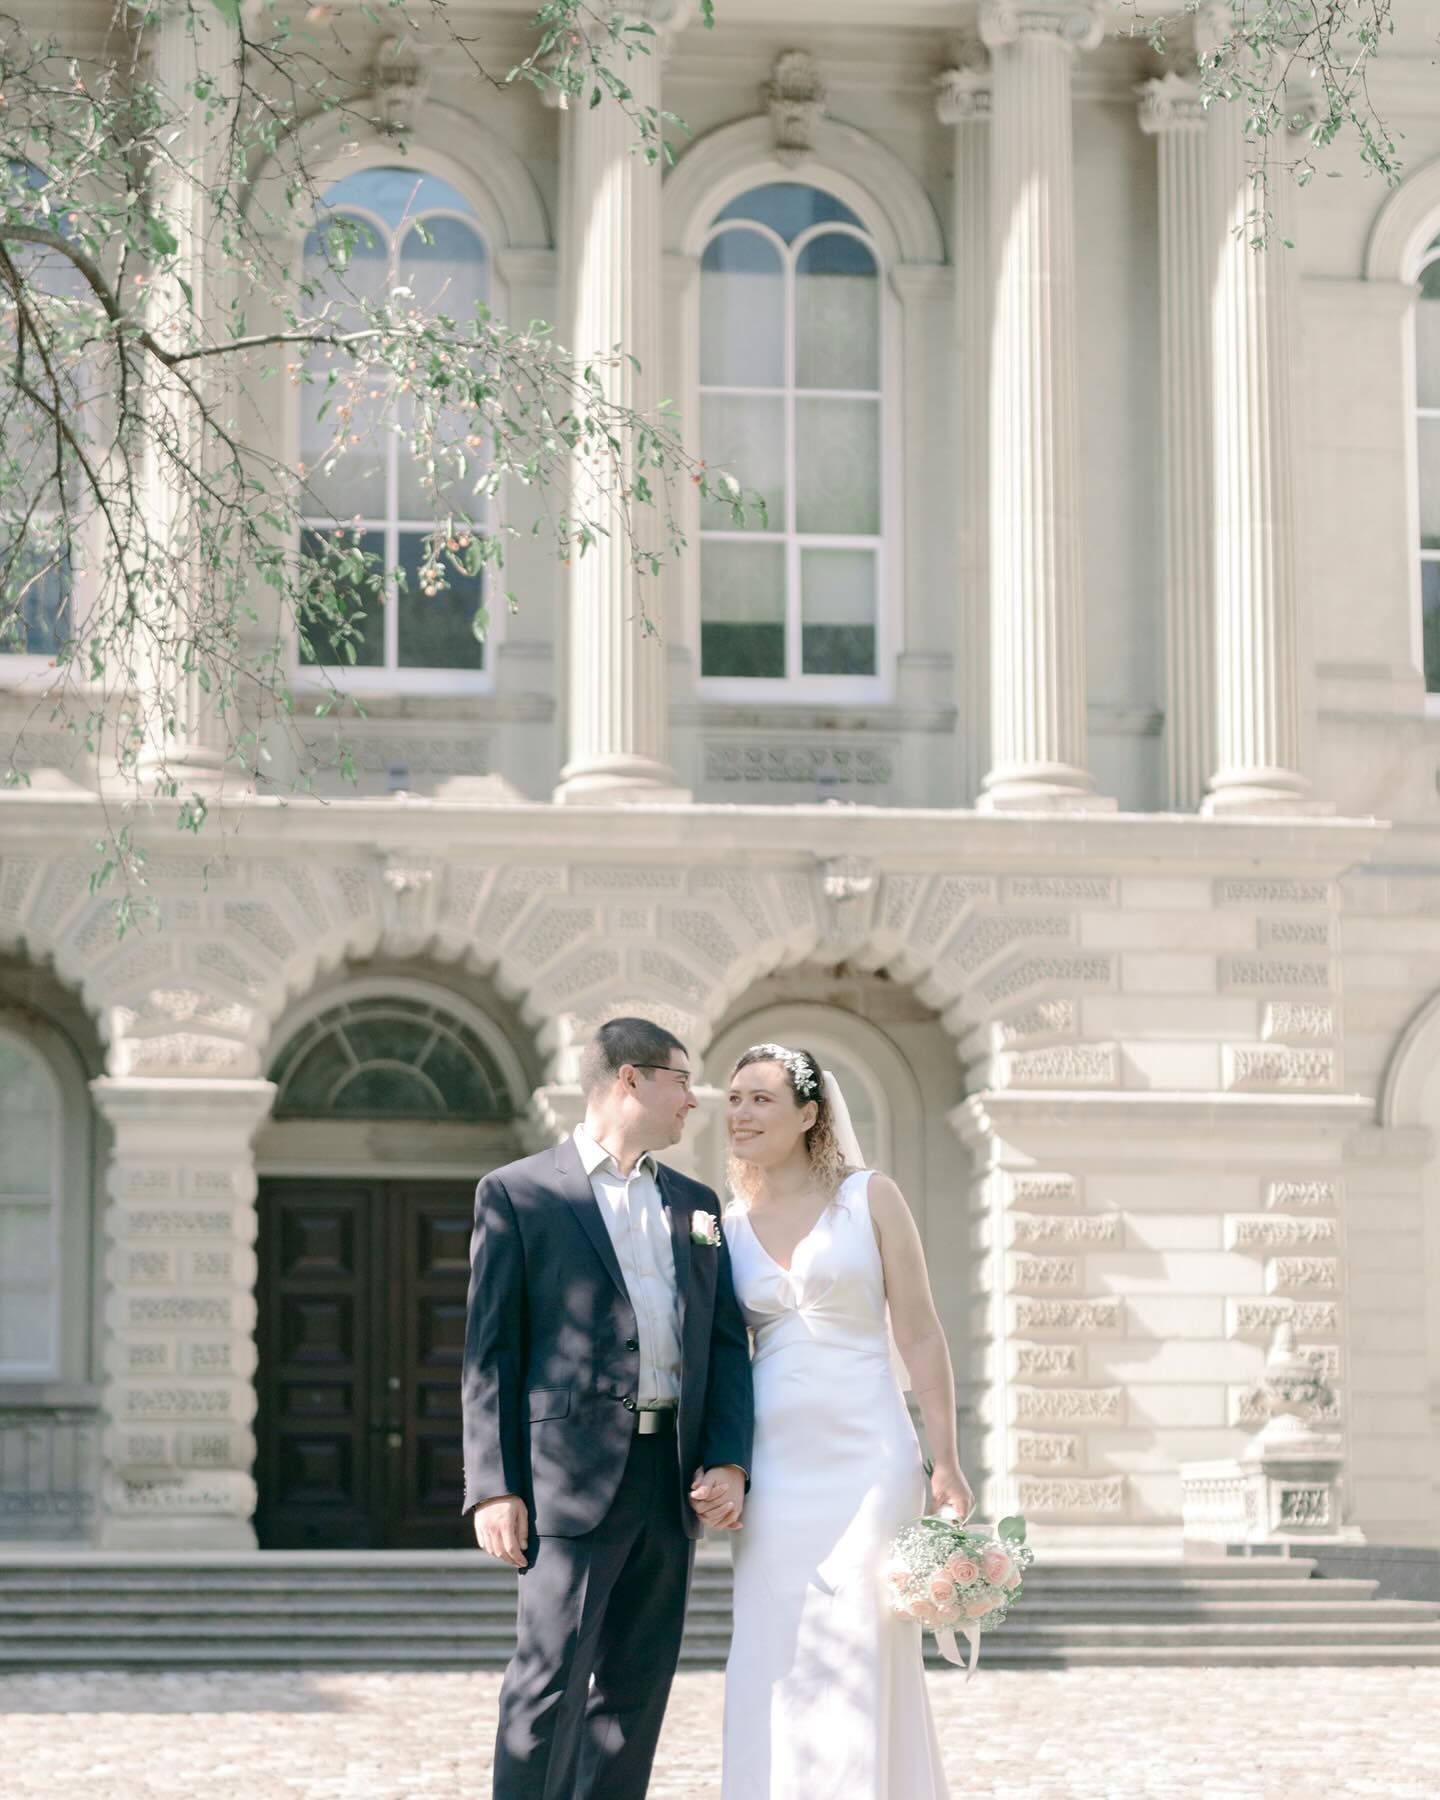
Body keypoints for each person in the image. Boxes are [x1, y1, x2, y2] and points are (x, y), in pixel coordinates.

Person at [461, 1016, 753, 1800]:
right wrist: (494, 1484)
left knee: (635, 1691)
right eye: (683, 1081)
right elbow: (492, 1351)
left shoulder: (696, 1203)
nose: (695, 1101)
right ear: (631, 1079)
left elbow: (725, 1344)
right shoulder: (519, 1193)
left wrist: (727, 1456)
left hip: (672, 1480)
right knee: (548, 1684)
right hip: (569, 1479)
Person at [720, 1042, 973, 1799]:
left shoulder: (871, 1198)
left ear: (808, 1113)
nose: (740, 1112)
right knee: (778, 1647)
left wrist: (948, 1461)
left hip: (870, 1455)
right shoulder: (725, 1224)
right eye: (733, 1098)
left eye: (760, 1098)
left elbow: (921, 1334)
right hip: (775, 1463)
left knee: (863, 1643)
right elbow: (721, 1359)